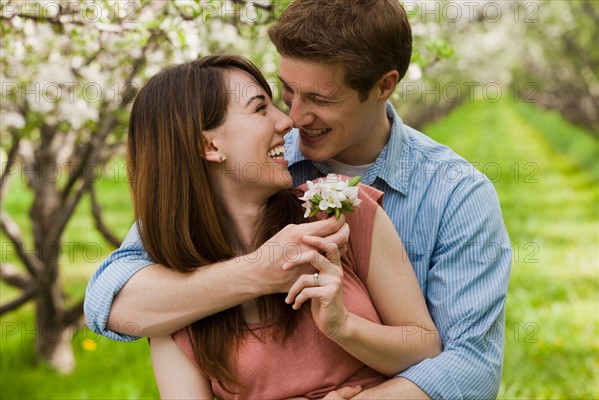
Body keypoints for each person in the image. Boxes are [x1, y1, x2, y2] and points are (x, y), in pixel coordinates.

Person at [85, 1, 512, 398]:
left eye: (320, 99)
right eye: (287, 91)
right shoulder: (251, 169)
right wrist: (260, 272)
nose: (292, 118)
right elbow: (113, 295)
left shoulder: (454, 195)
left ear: (384, 86)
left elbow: (470, 364)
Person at [124, 55, 441, 398]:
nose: (286, 121)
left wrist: (343, 326)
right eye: (260, 108)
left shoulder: (336, 211)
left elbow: (425, 347)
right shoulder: (173, 302)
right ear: (210, 146)